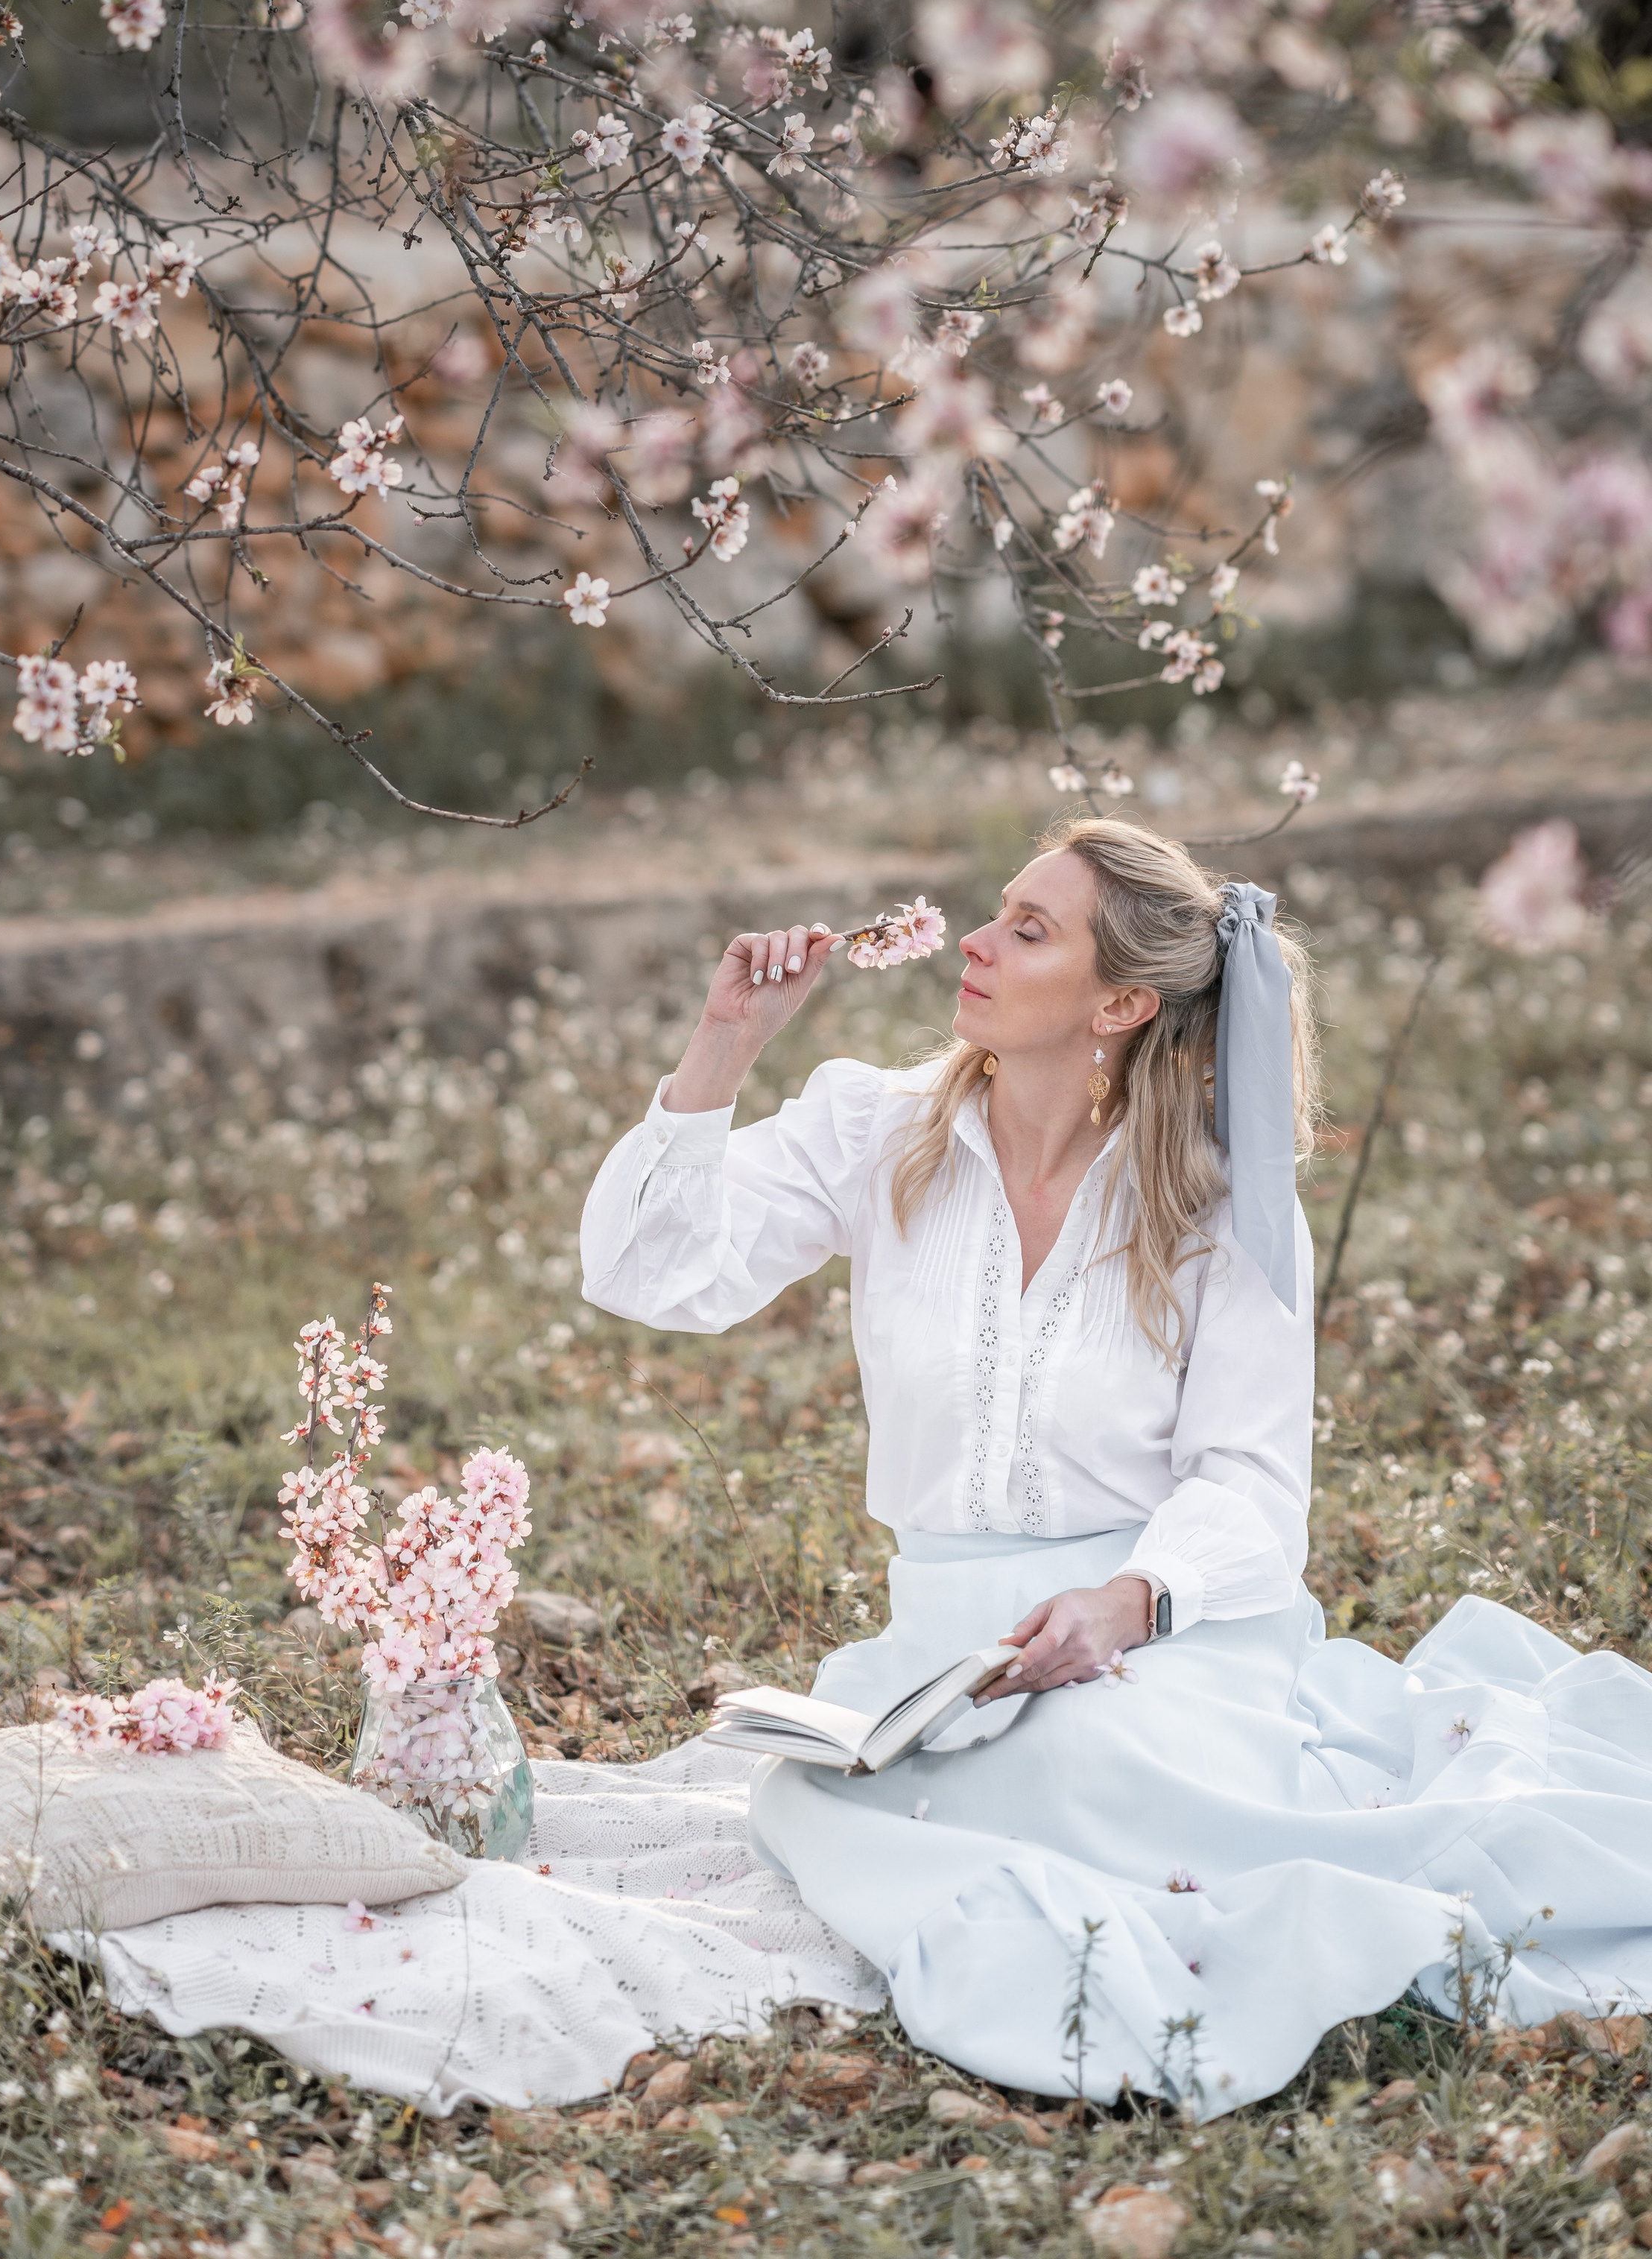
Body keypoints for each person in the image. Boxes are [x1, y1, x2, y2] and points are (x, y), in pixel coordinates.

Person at [580, 817, 1652, 2115]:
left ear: (1123, 1001)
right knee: (827, 1801)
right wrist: (725, 1046)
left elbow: (1252, 1488)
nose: (975, 941)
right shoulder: (876, 1128)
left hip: (1164, 1628)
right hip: (948, 1647)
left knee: (1082, 1764)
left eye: (1030, 931)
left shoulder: (1214, 1203)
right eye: (995, 912)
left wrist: (1127, 1601)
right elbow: (644, 1274)